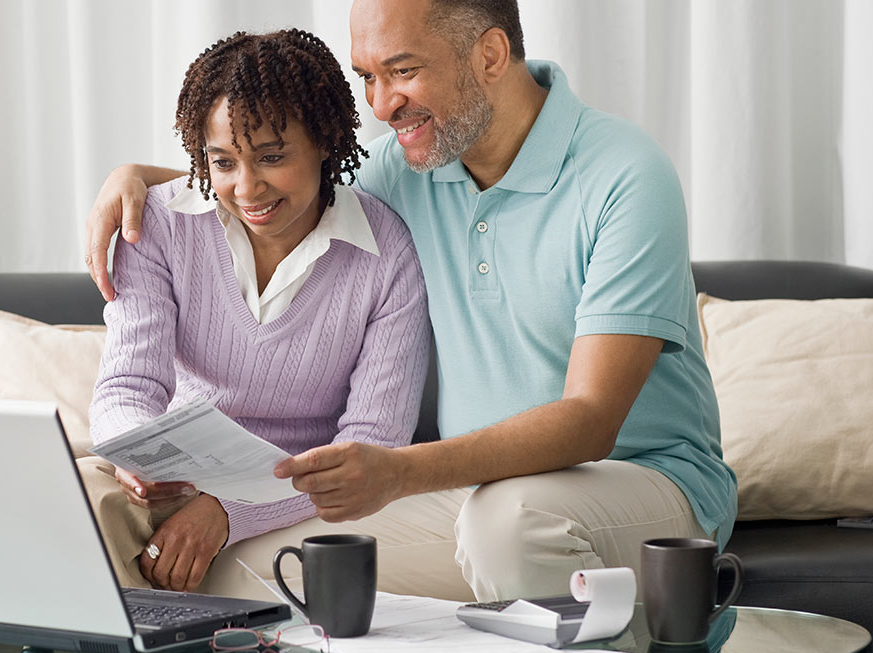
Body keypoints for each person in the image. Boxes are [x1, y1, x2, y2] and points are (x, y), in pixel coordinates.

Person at [84, 0, 737, 602]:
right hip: (470, 494)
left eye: (401, 71)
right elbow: (276, 183)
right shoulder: (410, 166)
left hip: (637, 480)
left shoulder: (625, 175)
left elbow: (592, 419)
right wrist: (135, 178)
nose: (381, 105)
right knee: (244, 567)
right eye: (367, 76)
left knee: (509, 524)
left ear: (487, 55)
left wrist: (398, 470)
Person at [81, 28, 433, 597]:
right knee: (68, 500)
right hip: (174, 469)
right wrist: (135, 454)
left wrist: (229, 511)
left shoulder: (386, 253)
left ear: (324, 140)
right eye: (222, 162)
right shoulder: (159, 227)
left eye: (272, 157)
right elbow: (126, 386)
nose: (247, 188)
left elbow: (373, 442)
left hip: (296, 486)